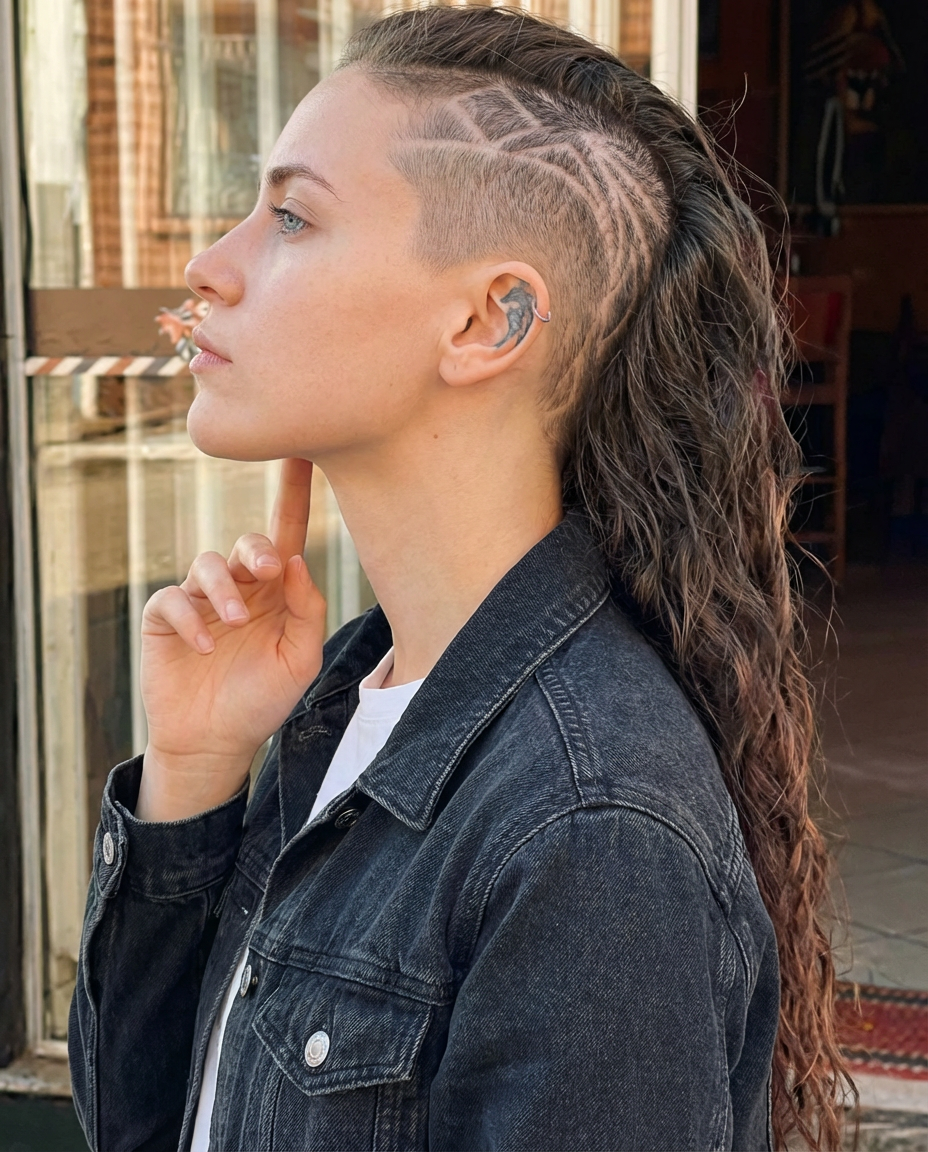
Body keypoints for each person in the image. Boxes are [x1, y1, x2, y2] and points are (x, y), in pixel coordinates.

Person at [68, 6, 854, 1150]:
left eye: (288, 216)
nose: (209, 265)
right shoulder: (342, 698)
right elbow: (153, 1127)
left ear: (491, 319)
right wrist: (193, 774)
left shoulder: (590, 827)